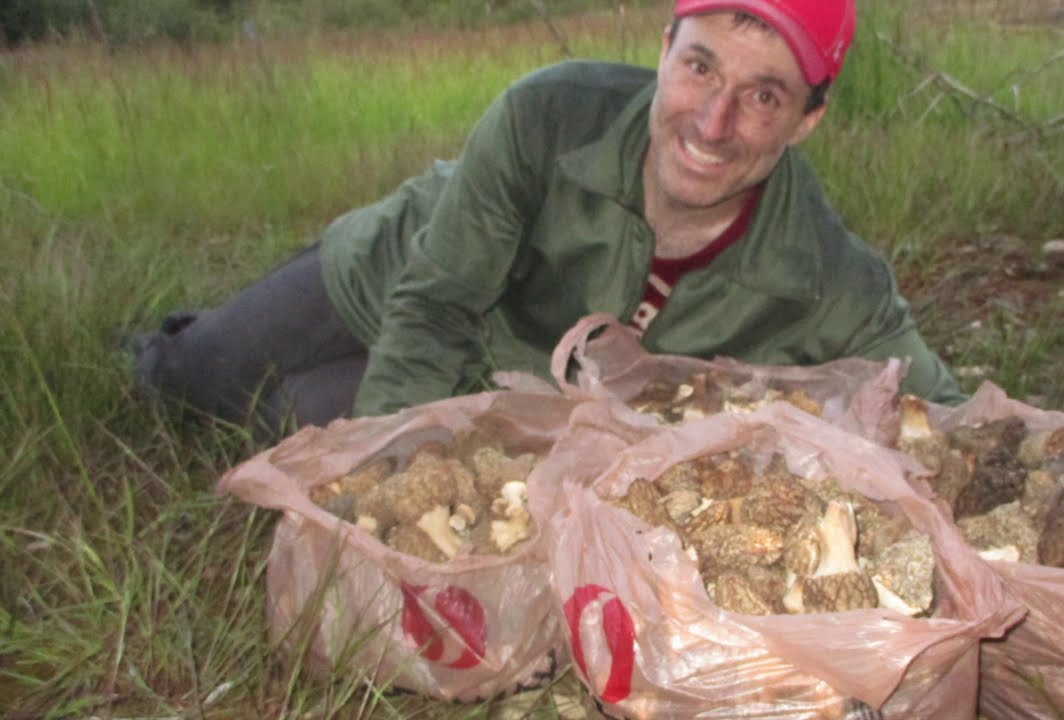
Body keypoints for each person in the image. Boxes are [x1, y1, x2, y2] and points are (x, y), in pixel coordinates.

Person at [130, 0, 967, 438]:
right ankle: (173, 342)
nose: (713, 123)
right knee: (198, 379)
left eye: (764, 96)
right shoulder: (547, 113)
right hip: (400, 274)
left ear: (808, 119)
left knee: (286, 420)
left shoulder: (829, 274)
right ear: (664, 49)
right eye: (700, 68)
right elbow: (435, 304)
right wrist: (381, 481)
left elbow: (955, 418)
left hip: (493, 385)